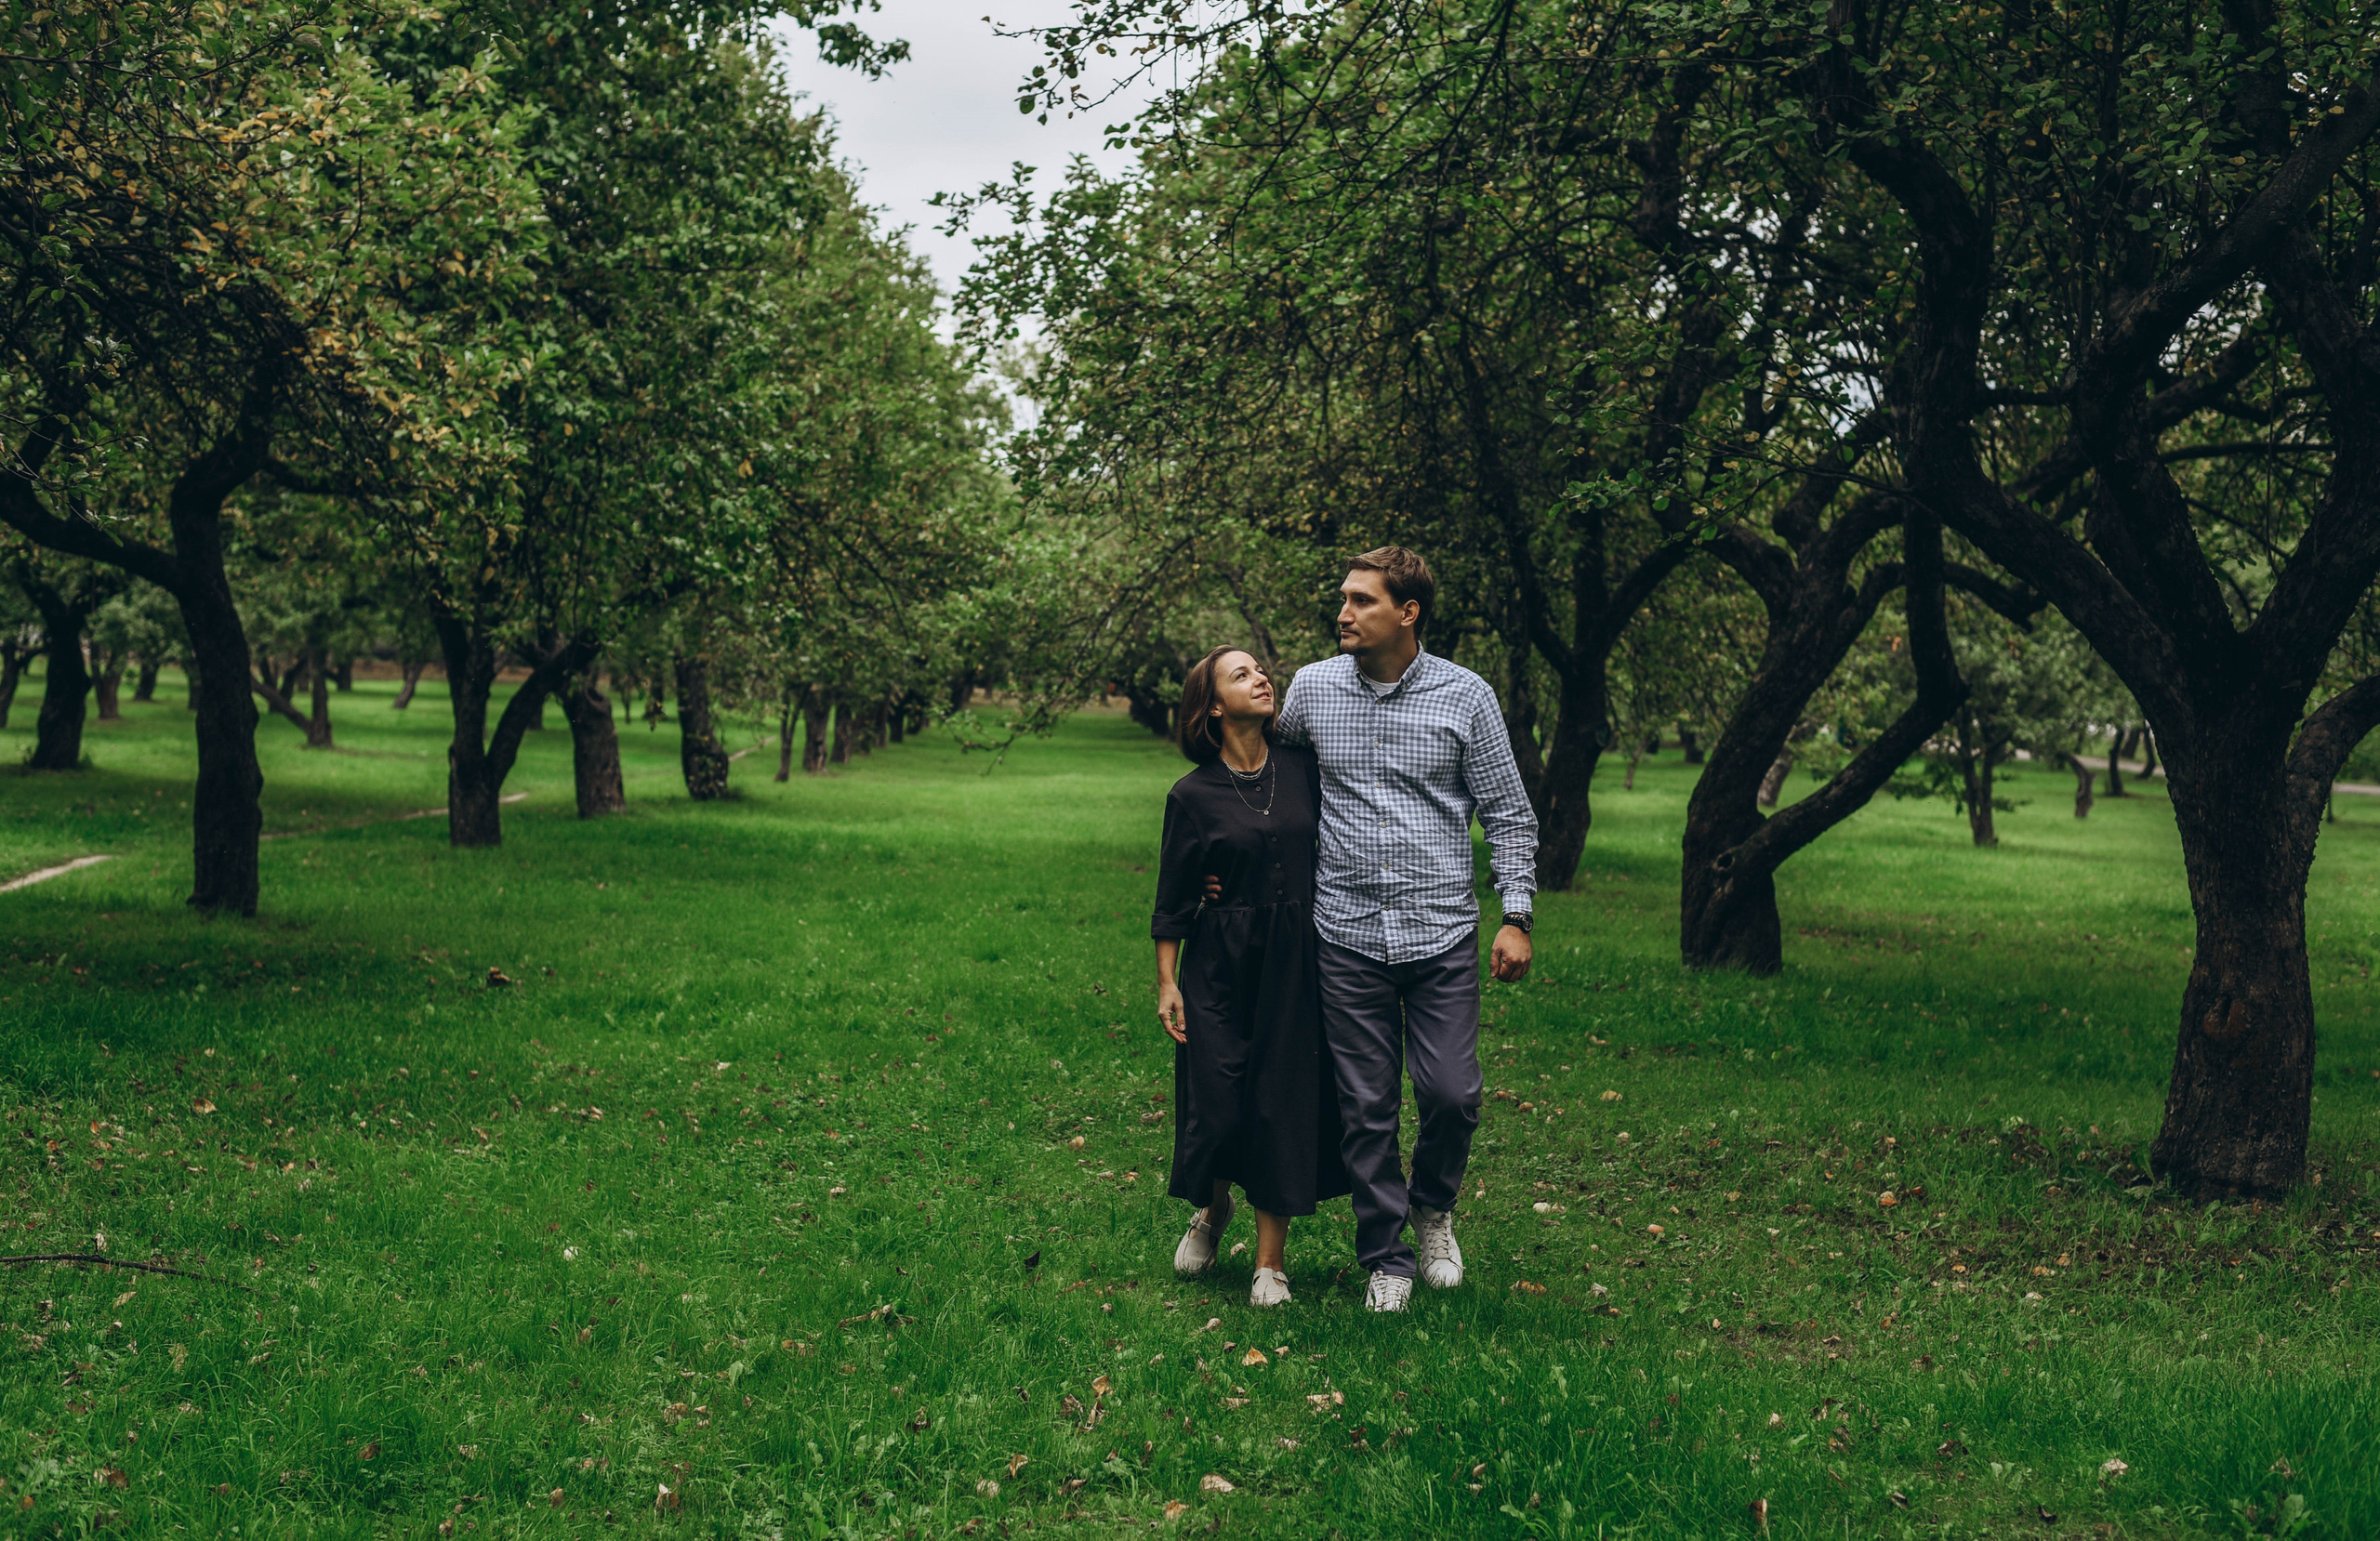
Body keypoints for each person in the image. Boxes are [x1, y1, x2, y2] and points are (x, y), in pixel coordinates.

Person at [1263, 546, 1538, 1314]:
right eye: (1343, 599)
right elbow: (1270, 781)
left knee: (1451, 1095)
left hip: (1440, 930)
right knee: (1366, 1108)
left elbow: (1509, 814)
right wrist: (1223, 850)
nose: (1342, 613)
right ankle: (1385, 1255)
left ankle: (1434, 1207)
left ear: (1407, 613)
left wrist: (1516, 914)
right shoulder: (1313, 690)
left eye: (1360, 601)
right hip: (1344, 931)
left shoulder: (1466, 697)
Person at [1150, 646, 1348, 1308]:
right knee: (1217, 1099)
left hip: (1295, 961)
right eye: (1242, 674)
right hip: (1219, 961)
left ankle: (1270, 1265)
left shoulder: (1304, 770)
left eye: (1262, 670)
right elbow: (1173, 896)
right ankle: (1212, 1210)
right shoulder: (1193, 794)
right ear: (1212, 705)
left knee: (1280, 1102)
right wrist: (1168, 981)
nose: (1262, 678)